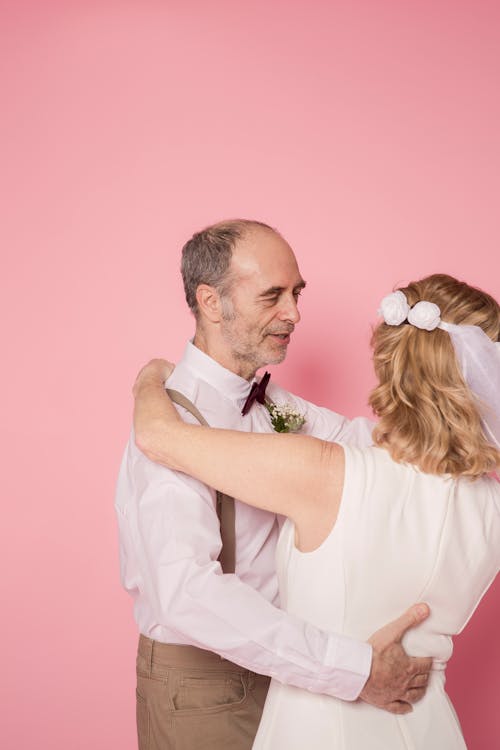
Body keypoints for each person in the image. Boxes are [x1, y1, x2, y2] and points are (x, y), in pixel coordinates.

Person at [132, 273, 500, 749]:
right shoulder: (490, 503)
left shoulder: (322, 471)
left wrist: (148, 379)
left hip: (322, 730)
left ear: (390, 357)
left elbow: (160, 439)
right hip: (428, 724)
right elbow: (368, 437)